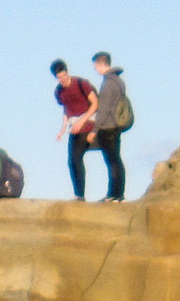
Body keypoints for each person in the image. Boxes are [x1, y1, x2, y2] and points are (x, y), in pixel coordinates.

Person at [50, 58, 97, 200]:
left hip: (89, 123)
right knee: (72, 161)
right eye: (59, 78)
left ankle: (112, 194)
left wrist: (82, 121)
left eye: (64, 76)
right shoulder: (59, 91)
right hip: (74, 126)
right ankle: (79, 195)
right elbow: (66, 109)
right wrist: (63, 129)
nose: (63, 80)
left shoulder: (81, 83)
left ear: (67, 72)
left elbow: (95, 103)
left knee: (77, 157)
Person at [88, 52, 128, 202]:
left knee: (112, 161)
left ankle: (114, 194)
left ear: (101, 64)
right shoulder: (119, 81)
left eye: (95, 66)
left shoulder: (107, 84)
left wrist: (94, 130)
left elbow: (103, 110)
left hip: (107, 127)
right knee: (116, 160)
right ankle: (118, 194)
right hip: (117, 126)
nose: (95, 69)